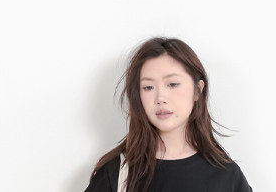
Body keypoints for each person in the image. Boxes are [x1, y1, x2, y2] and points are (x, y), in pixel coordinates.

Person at [85, 36, 253, 192]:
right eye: (148, 87)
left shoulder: (227, 175)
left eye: (172, 84)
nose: (160, 98)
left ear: (197, 90)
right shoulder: (116, 173)